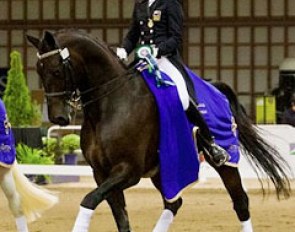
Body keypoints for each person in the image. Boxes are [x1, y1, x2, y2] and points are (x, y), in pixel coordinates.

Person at [116, 0, 229, 166]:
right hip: (142, 61)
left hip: (165, 60)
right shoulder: (140, 4)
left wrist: (157, 50)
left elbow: (176, 37)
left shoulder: (170, 3)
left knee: (183, 97)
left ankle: (210, 143)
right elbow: (133, 35)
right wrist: (124, 49)